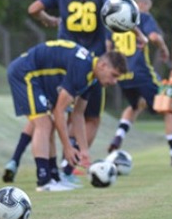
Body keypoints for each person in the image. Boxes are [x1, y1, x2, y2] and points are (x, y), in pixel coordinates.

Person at [27, 0, 117, 179]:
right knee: (89, 117)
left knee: (56, 113)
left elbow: (33, 9)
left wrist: (48, 19)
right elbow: (114, 18)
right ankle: (70, 165)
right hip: (92, 65)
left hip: (62, 61)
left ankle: (52, 169)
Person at [7, 41, 127, 191]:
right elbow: (59, 111)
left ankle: (54, 177)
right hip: (24, 73)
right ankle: (44, 181)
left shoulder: (92, 77)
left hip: (36, 77)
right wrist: (68, 147)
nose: (114, 82)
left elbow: (77, 115)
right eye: (113, 75)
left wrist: (84, 150)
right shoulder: (82, 68)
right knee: (44, 124)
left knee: (47, 125)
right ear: (102, 65)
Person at [104, 0, 172, 165]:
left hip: (122, 75)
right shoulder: (142, 16)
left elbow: (108, 46)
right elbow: (153, 36)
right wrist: (163, 48)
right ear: (144, 5)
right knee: (168, 108)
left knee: (135, 105)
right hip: (141, 72)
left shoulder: (114, 18)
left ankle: (118, 137)